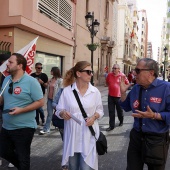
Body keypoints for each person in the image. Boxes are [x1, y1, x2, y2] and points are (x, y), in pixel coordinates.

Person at [119, 58, 170, 170]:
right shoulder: (136, 88)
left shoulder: (166, 88)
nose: (134, 73)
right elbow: (126, 107)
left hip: (156, 140)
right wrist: (122, 93)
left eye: (137, 70)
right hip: (136, 138)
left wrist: (155, 116)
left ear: (150, 73)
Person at [55, 61, 104, 170]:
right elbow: (58, 110)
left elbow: (100, 110)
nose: (91, 74)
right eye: (88, 72)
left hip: (88, 135)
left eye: (91, 72)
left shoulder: (94, 92)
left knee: (86, 167)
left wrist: (94, 117)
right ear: (78, 73)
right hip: (72, 136)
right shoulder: (67, 91)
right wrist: (62, 113)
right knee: (73, 166)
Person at [0, 53, 44, 170]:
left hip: (24, 128)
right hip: (6, 126)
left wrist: (22, 110)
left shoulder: (31, 82)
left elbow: (40, 102)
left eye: (10, 62)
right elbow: (2, 100)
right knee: (3, 151)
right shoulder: (6, 80)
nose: (7, 64)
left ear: (19, 66)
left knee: (23, 157)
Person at [39, 67, 63, 135]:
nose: (50, 72)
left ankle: (60, 126)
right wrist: (43, 83)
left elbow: (61, 91)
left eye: (51, 71)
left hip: (56, 100)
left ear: (54, 71)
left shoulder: (60, 80)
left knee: (58, 114)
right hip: (49, 99)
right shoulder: (50, 79)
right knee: (49, 114)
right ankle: (46, 129)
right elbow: (47, 86)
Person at [105, 64, 129, 131]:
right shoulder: (109, 75)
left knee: (119, 111)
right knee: (111, 111)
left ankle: (121, 120)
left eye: (115, 68)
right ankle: (111, 126)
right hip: (110, 96)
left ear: (119, 69)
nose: (114, 70)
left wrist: (122, 89)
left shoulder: (122, 76)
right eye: (113, 68)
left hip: (119, 97)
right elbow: (107, 83)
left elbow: (127, 84)